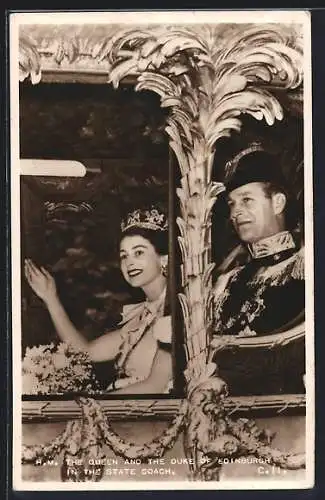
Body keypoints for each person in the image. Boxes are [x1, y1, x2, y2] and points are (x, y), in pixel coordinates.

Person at [24, 207, 173, 394]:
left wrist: (95, 405)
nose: (129, 263)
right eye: (123, 256)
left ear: (164, 259)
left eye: (139, 253)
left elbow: (156, 386)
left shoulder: (175, 312)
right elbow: (85, 352)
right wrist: (50, 297)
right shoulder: (140, 318)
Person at [212, 145, 305, 395]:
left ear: (277, 202)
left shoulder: (304, 270)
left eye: (247, 200)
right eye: (232, 204)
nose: (236, 212)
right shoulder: (227, 281)